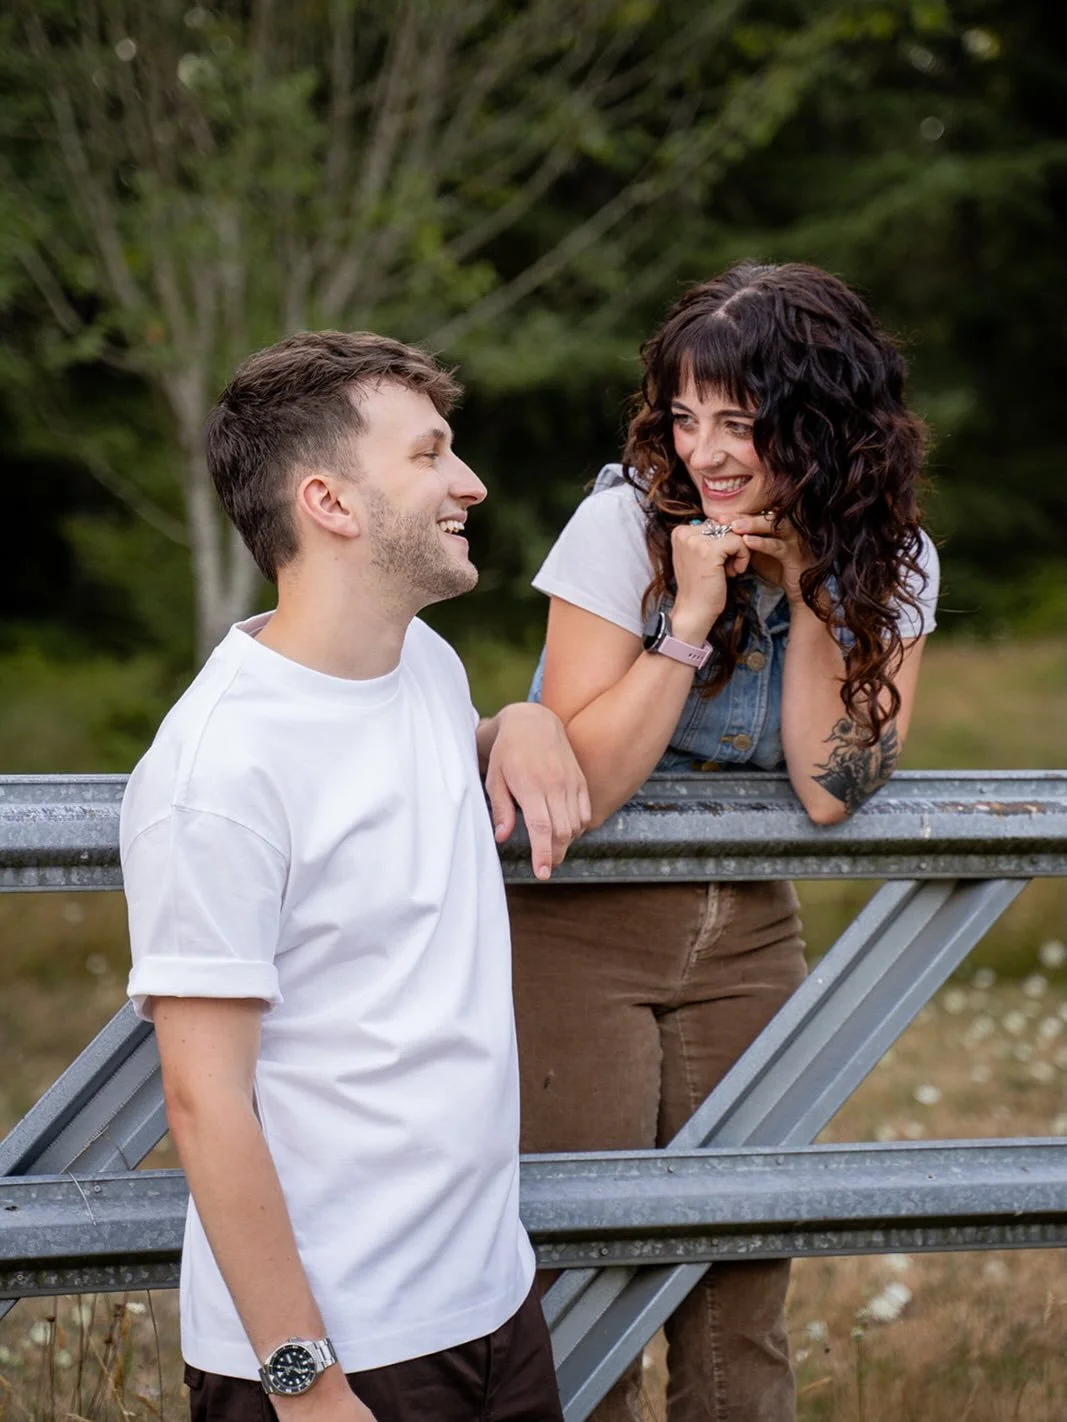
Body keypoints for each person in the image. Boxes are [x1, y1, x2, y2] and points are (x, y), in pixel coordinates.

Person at [120, 331, 591, 1422]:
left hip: (490, 1303)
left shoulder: (422, 664)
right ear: (329, 503)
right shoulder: (217, 770)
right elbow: (203, 1099)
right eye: (429, 456)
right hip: (337, 1354)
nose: (468, 482)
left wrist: (513, 724)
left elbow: (395, 776)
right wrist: (306, 1382)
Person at [509, 262, 939, 1422]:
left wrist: (808, 591)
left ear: (821, 422)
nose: (704, 452)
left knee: (740, 1273)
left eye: (739, 421)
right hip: (573, 927)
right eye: (685, 417)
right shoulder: (620, 525)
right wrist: (690, 620)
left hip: (749, 934)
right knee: (576, 1266)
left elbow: (829, 787)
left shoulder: (888, 561)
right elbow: (586, 783)